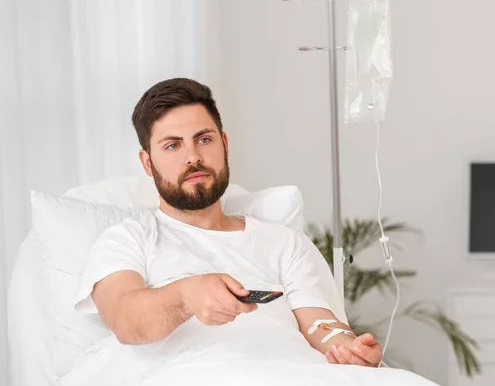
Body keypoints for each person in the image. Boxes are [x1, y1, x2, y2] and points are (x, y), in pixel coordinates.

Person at [79, 77, 382, 369]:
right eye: (173, 146)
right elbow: (125, 320)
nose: (193, 157)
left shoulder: (284, 243)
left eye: (204, 139)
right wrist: (185, 295)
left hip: (292, 378)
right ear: (147, 163)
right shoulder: (127, 240)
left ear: (224, 144)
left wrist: (348, 348)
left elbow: (320, 323)